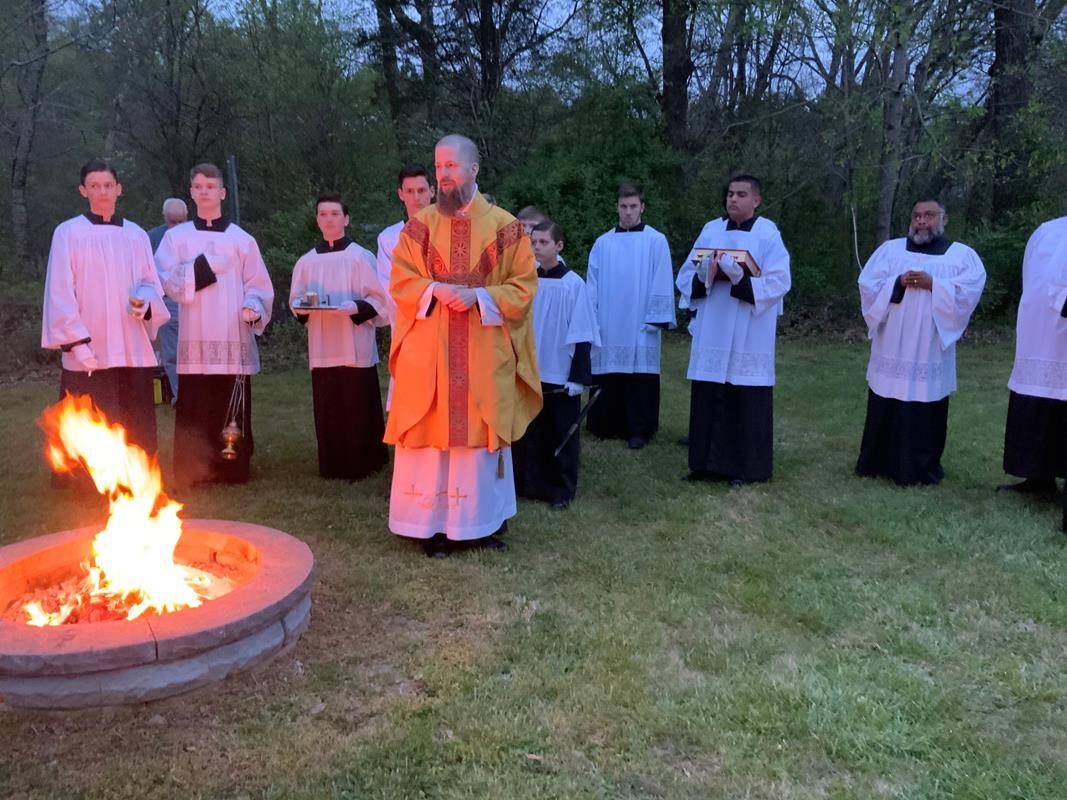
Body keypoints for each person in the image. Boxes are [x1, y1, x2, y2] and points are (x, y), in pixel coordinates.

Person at [385, 134, 541, 557]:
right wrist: (433, 289)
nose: (444, 174)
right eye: (438, 167)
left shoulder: (506, 228)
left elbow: (524, 287)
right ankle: (429, 526)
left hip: (481, 350)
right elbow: (400, 280)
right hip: (430, 354)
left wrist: (481, 297)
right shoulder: (418, 227)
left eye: (452, 166)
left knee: (476, 437)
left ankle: (481, 526)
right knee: (430, 436)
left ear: (473, 169)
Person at [155, 163, 274, 485]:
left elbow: (259, 285)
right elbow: (167, 281)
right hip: (195, 332)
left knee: (230, 402)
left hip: (231, 332)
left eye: (211, 186)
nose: (205, 191)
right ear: (192, 193)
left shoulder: (242, 239)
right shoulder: (175, 238)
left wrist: (253, 305)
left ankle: (231, 469)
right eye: (198, 186)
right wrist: (203, 267)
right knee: (195, 401)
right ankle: (194, 469)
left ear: (222, 192)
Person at [42, 159, 170, 454]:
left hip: (130, 343)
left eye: (108, 185)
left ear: (119, 189)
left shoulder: (135, 235)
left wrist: (145, 304)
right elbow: (60, 291)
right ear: (83, 190)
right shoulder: (69, 233)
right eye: (95, 186)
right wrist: (76, 342)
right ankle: (87, 481)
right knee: (90, 415)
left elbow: (150, 282)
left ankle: (137, 475)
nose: (102, 192)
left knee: (133, 415)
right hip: (91, 344)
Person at [855, 200, 986, 485]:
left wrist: (934, 284)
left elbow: (970, 290)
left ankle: (919, 467)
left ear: (944, 218)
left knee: (923, 402)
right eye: (916, 216)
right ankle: (877, 461)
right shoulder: (890, 250)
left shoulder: (961, 256)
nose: (921, 221)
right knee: (886, 396)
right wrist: (898, 282)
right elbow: (867, 284)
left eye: (929, 215)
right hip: (892, 340)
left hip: (929, 342)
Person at [675, 174, 791, 485]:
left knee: (743, 396)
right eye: (729, 194)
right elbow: (687, 273)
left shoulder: (768, 234)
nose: (733, 200)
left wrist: (741, 280)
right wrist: (706, 274)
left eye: (741, 194)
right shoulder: (711, 229)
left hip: (747, 328)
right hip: (714, 323)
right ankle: (703, 464)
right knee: (709, 394)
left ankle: (744, 468)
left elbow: (780, 280)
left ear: (756, 200)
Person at [290, 194, 392, 480]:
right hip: (323, 342)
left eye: (335, 213)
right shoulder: (307, 262)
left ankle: (365, 461)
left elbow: (380, 299)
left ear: (346, 219)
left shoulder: (361, 256)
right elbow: (296, 300)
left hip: (354, 340)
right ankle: (332, 463)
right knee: (329, 403)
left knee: (357, 401)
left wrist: (358, 307)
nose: (329, 219)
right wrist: (302, 306)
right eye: (323, 214)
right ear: (317, 220)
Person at [513, 220, 599, 508]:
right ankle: (529, 483)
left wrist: (578, 377)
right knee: (530, 430)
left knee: (560, 431)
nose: (537, 247)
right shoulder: (527, 280)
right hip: (531, 368)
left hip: (560, 371)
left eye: (543, 243)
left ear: (559, 246)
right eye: (533, 242)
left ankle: (561, 489)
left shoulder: (573, 284)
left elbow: (583, 332)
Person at [586, 183, 675, 449]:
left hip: (639, 321)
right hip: (609, 322)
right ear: (617, 207)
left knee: (639, 375)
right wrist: (590, 317)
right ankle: (605, 423)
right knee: (609, 369)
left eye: (633, 206)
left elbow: (662, 277)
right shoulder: (603, 243)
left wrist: (656, 316)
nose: (627, 212)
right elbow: (593, 282)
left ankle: (640, 428)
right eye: (623, 206)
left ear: (642, 208)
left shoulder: (655, 241)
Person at [999, 216, 1066, 515]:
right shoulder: (1046, 230)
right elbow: (1031, 276)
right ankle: (1038, 476)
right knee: (1037, 399)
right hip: (1039, 327)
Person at [146, 197, 188, 403]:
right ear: (165, 218)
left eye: (181, 221)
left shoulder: (196, 236)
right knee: (172, 353)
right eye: (172, 221)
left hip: (194, 303)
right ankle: (180, 396)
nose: (177, 226)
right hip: (168, 302)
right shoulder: (152, 238)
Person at [376, 163, 435, 295]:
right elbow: (388, 286)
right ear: (401, 194)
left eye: (421, 190)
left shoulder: (448, 231)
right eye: (410, 191)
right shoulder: (388, 238)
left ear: (432, 191)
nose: (416, 198)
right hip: (405, 312)